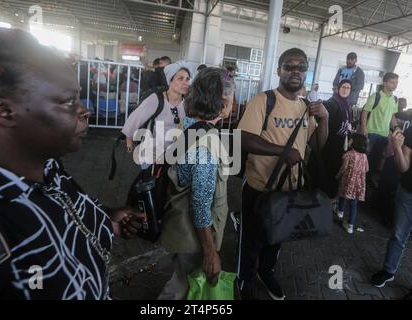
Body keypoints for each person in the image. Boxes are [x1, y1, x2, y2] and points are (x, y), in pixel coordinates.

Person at [0, 22, 145, 300]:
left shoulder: (46, 166)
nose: (85, 110)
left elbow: (61, 211)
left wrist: (105, 219)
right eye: (68, 102)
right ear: (2, 111)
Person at [237, 48, 329, 300]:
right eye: (289, 66)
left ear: (306, 73)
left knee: (276, 238)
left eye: (301, 67)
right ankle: (244, 279)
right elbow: (244, 139)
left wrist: (326, 118)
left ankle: (266, 273)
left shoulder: (305, 107)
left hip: (289, 190)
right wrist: (282, 152)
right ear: (279, 70)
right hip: (259, 187)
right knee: (251, 241)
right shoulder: (263, 100)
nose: (295, 71)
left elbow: (318, 145)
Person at [158, 68, 235, 300]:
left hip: (177, 223)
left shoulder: (189, 124)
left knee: (181, 282)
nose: (234, 102)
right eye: (231, 98)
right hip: (192, 239)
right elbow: (200, 205)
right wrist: (210, 252)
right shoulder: (205, 147)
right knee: (180, 288)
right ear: (222, 103)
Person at [122, 61, 190, 166]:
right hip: (152, 154)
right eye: (180, 78)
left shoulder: (187, 103)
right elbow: (134, 120)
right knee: (150, 180)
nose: (185, 82)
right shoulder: (156, 99)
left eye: (187, 79)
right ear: (170, 81)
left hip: (175, 156)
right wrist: (129, 143)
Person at [371, 127, 412, 288]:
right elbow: (404, 167)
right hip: (408, 192)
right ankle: (388, 271)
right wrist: (396, 147)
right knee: (398, 235)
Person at [361, 72, 399, 181]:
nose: (395, 85)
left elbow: (392, 116)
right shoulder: (376, 96)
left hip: (384, 135)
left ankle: (368, 183)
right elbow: (365, 112)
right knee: (365, 159)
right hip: (371, 133)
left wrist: (396, 127)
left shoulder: (395, 99)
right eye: (392, 82)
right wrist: (364, 129)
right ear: (384, 83)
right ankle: (360, 182)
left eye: (396, 82)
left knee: (375, 160)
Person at [319, 80, 353, 199]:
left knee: (335, 170)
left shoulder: (346, 105)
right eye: (343, 87)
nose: (345, 90)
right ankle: (324, 197)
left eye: (348, 88)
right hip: (330, 144)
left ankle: (329, 197)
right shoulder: (332, 103)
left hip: (340, 144)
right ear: (338, 88)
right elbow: (325, 124)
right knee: (328, 170)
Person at [335, 134, 369, 234]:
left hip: (348, 181)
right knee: (354, 203)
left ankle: (340, 211)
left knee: (342, 194)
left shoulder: (349, 154)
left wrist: (338, 175)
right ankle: (350, 225)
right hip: (358, 183)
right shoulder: (364, 156)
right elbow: (367, 169)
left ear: (354, 142)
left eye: (350, 140)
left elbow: (344, 168)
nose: (349, 141)